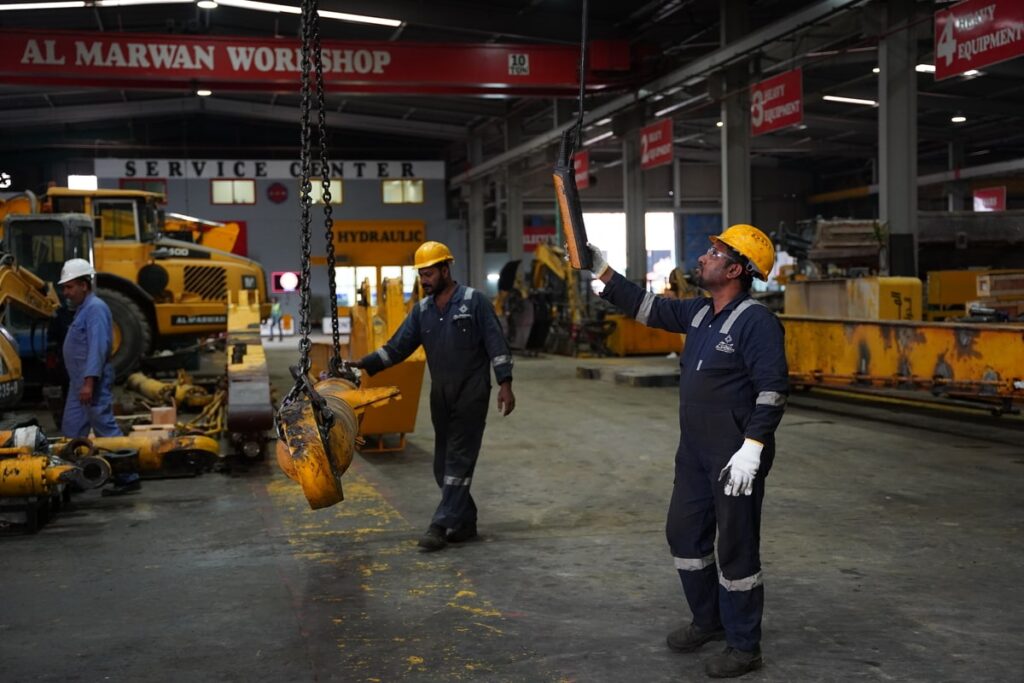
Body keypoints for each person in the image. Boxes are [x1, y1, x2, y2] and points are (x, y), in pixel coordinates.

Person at [578, 225, 787, 678]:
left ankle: (744, 645)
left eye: (715, 253)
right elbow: (646, 307)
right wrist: (602, 269)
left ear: (735, 269)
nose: (703, 257)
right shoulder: (698, 312)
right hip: (693, 451)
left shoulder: (757, 323)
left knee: (736, 547)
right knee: (684, 535)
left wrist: (753, 447)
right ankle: (708, 621)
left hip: (735, 456)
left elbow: (772, 390)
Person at [353, 241, 515, 552]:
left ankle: (440, 524)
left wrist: (504, 383)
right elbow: (396, 349)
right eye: (421, 275)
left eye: (428, 274)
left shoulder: (474, 302)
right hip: (441, 395)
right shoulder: (423, 311)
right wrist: (363, 364)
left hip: (472, 392)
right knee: (442, 467)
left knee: (458, 460)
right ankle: (465, 522)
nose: (424, 280)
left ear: (445, 269)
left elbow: (497, 343)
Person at [57, 258, 138, 495]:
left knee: (105, 428)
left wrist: (89, 383)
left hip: (90, 382)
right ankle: (72, 477)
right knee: (71, 430)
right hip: (78, 384)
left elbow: (98, 348)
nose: (66, 293)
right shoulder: (83, 310)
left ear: (84, 285)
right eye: (65, 287)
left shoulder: (96, 308)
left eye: (70, 287)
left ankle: (128, 477)